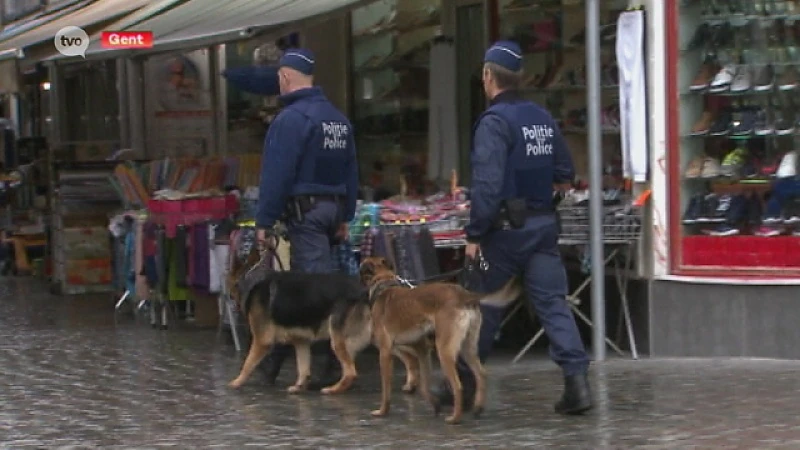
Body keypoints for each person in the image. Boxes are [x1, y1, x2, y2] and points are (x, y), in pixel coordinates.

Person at [431, 41, 593, 415]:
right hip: (541, 228)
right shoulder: (541, 117)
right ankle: (577, 385)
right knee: (553, 305)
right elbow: (565, 176)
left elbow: (488, 186)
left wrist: (474, 234)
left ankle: (461, 387)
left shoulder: (494, 123)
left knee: (480, 303)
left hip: (502, 234)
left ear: (488, 76)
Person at [254, 48, 359, 388]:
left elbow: (276, 175)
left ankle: (330, 365)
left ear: (284, 77)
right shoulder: (337, 119)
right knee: (313, 284)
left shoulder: (290, 120)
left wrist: (264, 221)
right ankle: (276, 362)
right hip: (332, 210)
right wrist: (348, 213)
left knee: (317, 293)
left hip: (307, 214)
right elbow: (351, 169)